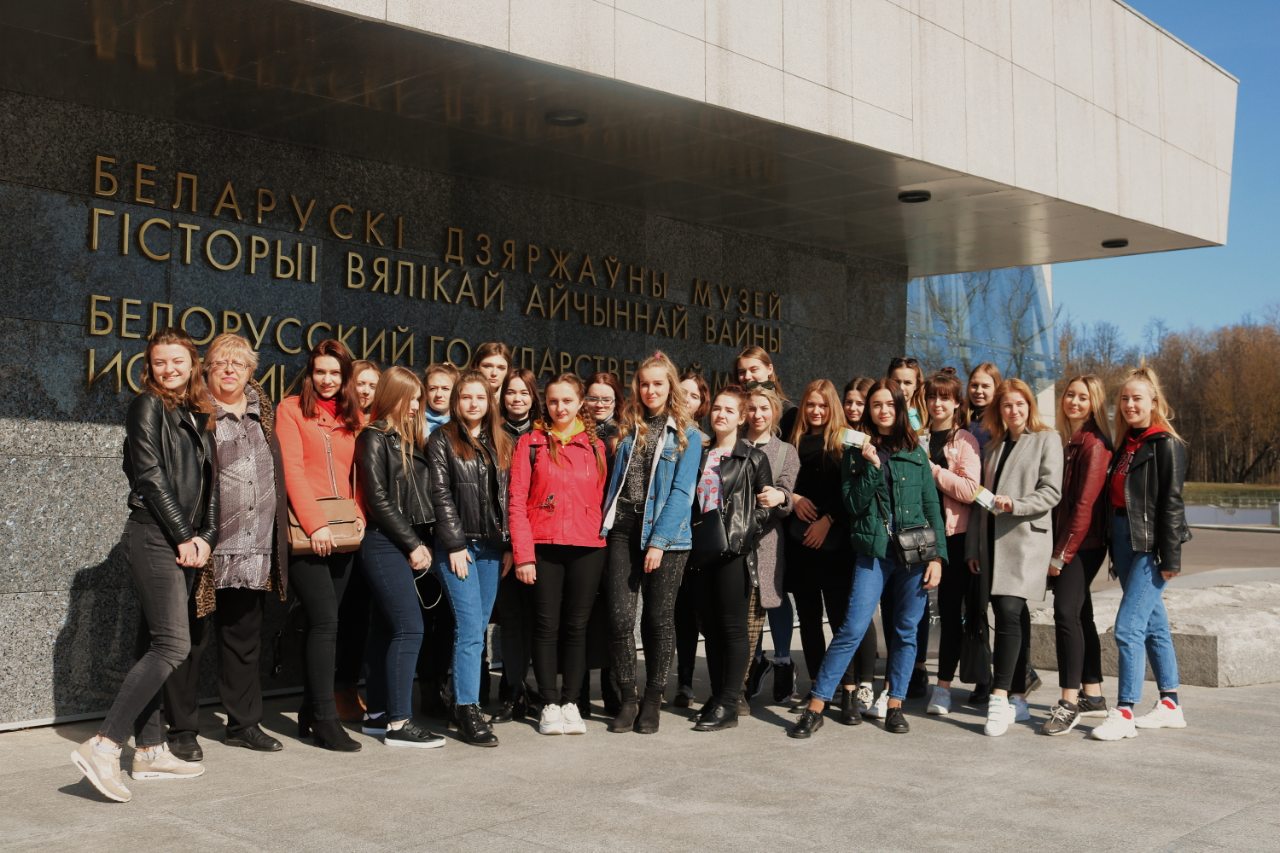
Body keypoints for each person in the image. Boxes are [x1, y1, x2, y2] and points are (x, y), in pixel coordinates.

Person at [72, 328, 218, 803]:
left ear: (193, 364)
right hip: (154, 534)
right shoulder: (147, 406)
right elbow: (150, 478)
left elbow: (213, 488)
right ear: (149, 367)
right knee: (173, 645)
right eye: (159, 362)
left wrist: (206, 537)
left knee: (153, 643)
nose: (169, 369)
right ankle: (104, 744)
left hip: (186, 541)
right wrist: (184, 534)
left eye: (177, 361)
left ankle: (151, 750)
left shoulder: (198, 413)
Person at [788, 379, 945, 739]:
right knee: (852, 627)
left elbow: (931, 506)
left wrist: (937, 558)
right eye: (877, 405)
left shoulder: (915, 452)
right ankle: (816, 706)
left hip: (915, 554)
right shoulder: (856, 450)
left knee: (905, 630)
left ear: (900, 408)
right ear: (869, 411)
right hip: (874, 552)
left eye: (889, 404)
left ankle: (895, 705)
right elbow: (853, 504)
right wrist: (872, 466)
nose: (883, 410)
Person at [162, 334, 287, 762]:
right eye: (220, 363)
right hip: (204, 546)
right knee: (190, 641)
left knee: (243, 640)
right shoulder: (193, 413)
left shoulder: (263, 413)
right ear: (206, 369)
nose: (230, 370)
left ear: (251, 371)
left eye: (239, 363)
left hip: (254, 547)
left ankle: (243, 724)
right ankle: (182, 729)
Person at [601, 351, 702, 734]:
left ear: (670, 386)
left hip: (667, 536)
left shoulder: (688, 434)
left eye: (658, 383)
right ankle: (629, 697)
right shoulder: (629, 426)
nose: (650, 390)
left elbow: (682, 492)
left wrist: (658, 542)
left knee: (658, 619)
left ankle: (653, 698)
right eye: (644, 384)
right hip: (624, 528)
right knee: (619, 618)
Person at [1089, 367, 1190, 741]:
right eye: (1125, 399)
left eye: (1137, 398)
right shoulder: (1127, 444)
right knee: (1153, 625)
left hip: (1150, 546)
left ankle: (1125, 711)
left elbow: (1172, 504)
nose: (1130, 405)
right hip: (1124, 540)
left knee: (1128, 627)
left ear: (1154, 402)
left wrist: (1171, 558)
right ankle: (1170, 704)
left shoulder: (1165, 444)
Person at [507, 373, 610, 736]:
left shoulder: (596, 446)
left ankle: (571, 702)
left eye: (567, 401)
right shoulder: (530, 443)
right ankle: (549, 703)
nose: (560, 408)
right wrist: (523, 555)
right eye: (553, 401)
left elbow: (603, 496)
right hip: (543, 545)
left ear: (581, 403)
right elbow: (516, 501)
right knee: (546, 626)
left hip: (587, 547)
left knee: (577, 627)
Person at [277, 339, 365, 751]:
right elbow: (292, 471)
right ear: (309, 373)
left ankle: (310, 710)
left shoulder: (352, 416)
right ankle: (326, 720)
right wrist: (315, 525)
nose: (327, 379)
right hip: (305, 532)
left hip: (344, 531)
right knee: (325, 621)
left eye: (335, 373)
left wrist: (359, 512)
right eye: (320, 371)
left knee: (326, 624)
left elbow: (357, 472)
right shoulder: (291, 409)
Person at [354, 366, 446, 749]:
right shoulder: (374, 437)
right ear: (393, 396)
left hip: (402, 541)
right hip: (384, 542)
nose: (416, 405)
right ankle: (399, 723)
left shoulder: (408, 439)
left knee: (386, 628)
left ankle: (378, 713)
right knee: (410, 628)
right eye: (410, 398)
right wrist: (412, 544)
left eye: (418, 399)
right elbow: (377, 499)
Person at [966, 378, 1063, 737]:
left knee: (1008, 611)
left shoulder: (1047, 439)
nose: (1014, 410)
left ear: (1029, 406)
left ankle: (999, 696)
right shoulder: (993, 446)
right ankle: (1018, 696)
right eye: (1007, 405)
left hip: (1024, 540)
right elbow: (981, 500)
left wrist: (1016, 505)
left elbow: (1051, 491)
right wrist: (973, 547)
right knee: (1013, 615)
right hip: (992, 542)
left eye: (1020, 404)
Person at [428, 370, 512, 747]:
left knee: (478, 628)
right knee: (468, 627)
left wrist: (509, 546)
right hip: (459, 548)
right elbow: (440, 494)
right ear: (456, 401)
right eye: (466, 397)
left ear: (489, 402)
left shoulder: (502, 441)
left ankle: (460, 699)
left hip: (492, 548)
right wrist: (454, 543)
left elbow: (509, 497)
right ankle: (468, 709)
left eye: (480, 397)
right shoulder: (442, 439)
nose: (474, 403)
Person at [689, 387, 774, 731]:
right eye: (717, 409)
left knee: (733, 628)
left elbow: (767, 506)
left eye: (729, 410)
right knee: (710, 629)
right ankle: (716, 697)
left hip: (733, 552)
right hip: (700, 551)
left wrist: (744, 532)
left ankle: (729, 703)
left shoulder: (752, 458)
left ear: (741, 418)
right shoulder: (699, 454)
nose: (721, 415)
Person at [785, 379, 863, 723]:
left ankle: (848, 688)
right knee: (809, 620)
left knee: (840, 619)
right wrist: (795, 498)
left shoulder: (846, 441)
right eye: (811, 405)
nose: (816, 411)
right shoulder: (792, 441)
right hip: (801, 542)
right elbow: (780, 481)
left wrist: (828, 520)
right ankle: (819, 686)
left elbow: (853, 491)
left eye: (823, 405)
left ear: (833, 408)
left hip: (835, 544)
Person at [1041, 374, 1113, 735]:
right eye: (1070, 395)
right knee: (1082, 614)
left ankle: (1068, 702)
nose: (1074, 401)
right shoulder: (1068, 440)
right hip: (1073, 541)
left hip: (1083, 544)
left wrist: (1061, 554)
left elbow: (1084, 505)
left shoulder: (1093, 444)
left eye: (1083, 397)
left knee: (1065, 613)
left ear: (1094, 403)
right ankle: (1093, 694)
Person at [920, 369, 983, 717]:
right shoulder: (918, 437)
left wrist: (931, 469)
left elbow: (970, 490)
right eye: (932, 396)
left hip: (954, 538)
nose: (937, 403)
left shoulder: (965, 441)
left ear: (957, 403)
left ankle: (943, 687)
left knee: (949, 612)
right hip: (919, 536)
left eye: (944, 398)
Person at [741, 385, 800, 707]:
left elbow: (787, 493)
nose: (758, 414)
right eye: (752, 408)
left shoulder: (785, 451)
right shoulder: (733, 444)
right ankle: (747, 667)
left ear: (774, 412)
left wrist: (781, 497)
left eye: (764, 408)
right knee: (741, 607)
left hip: (766, 539)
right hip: (733, 538)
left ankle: (780, 662)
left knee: (769, 601)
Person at [491, 367, 543, 723]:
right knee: (510, 619)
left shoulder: (543, 435)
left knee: (537, 619)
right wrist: (509, 541)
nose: (517, 398)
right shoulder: (493, 433)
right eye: (511, 392)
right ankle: (512, 690)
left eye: (524, 392)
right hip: (505, 539)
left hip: (541, 538)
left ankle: (530, 687)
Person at [336, 358, 379, 722]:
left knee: (360, 617)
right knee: (342, 615)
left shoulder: (378, 425)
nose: (365, 391)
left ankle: (349, 688)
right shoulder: (341, 422)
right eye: (360, 383)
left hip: (373, 531)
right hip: (343, 527)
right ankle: (338, 691)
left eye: (372, 385)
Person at [962, 361, 1002, 705]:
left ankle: (1015, 672)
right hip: (971, 517)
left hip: (997, 517)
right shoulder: (965, 421)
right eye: (974, 384)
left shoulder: (998, 424)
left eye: (985, 385)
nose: (978, 390)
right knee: (975, 605)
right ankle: (983, 676)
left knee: (1003, 606)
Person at [672, 367, 712, 708]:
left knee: (707, 615)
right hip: (673, 537)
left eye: (694, 395)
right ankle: (684, 682)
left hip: (703, 538)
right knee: (681, 615)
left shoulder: (710, 443)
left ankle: (720, 685)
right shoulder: (662, 434)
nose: (687, 399)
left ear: (702, 404)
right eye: (682, 391)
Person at [736, 345, 795, 437]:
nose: (747, 376)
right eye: (742, 372)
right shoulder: (734, 408)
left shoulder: (789, 412)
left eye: (753, 370)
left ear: (769, 369)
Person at [585, 371, 624, 458]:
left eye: (606, 400)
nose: (599, 405)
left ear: (616, 401)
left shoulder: (627, 432)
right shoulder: (574, 430)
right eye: (593, 399)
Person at [423, 362, 459, 437]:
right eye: (433, 389)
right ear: (426, 392)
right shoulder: (415, 424)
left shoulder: (465, 423)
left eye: (445, 388)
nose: (438, 394)